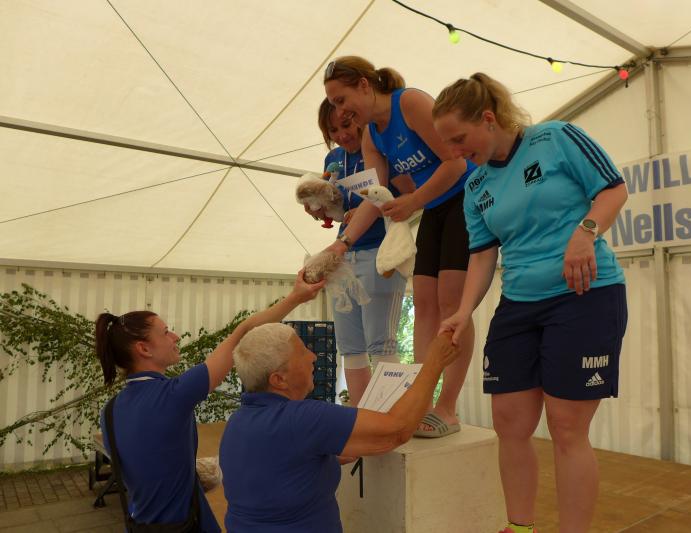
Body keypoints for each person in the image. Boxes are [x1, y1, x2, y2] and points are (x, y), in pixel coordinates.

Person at [432, 73, 628, 533]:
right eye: (448, 144)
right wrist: (463, 311)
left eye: (459, 139)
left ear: (488, 118)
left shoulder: (556, 138)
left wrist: (585, 232)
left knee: (566, 425)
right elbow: (483, 254)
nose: (455, 152)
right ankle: (519, 528)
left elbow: (613, 189)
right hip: (519, 305)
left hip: (584, 296)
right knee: (509, 423)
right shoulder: (475, 186)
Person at [95, 271, 324, 531]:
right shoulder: (172, 396)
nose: (175, 337)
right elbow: (243, 333)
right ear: (144, 349)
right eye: (166, 332)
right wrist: (296, 297)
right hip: (187, 525)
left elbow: (150, 468)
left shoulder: (109, 411)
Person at [323, 55, 476, 437]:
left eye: (341, 100)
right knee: (423, 302)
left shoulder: (409, 102)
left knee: (452, 304)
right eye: (334, 105)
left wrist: (413, 200)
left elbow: (456, 164)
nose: (341, 112)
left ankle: (447, 408)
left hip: (466, 199)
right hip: (434, 207)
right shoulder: (371, 136)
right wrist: (341, 244)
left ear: (364, 85)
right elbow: (374, 198)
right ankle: (420, 403)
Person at [218, 326, 458, 532]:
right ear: (279, 379)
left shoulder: (237, 422)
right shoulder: (303, 418)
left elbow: (277, 470)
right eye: (302, 352)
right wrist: (434, 363)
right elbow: (397, 430)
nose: (313, 356)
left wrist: (325, 460)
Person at [299, 99, 406, 407]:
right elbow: (337, 207)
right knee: (350, 345)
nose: (341, 135)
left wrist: (367, 210)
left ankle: (390, 415)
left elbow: (402, 197)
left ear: (359, 117)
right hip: (344, 256)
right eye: (333, 130)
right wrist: (321, 210)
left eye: (346, 125)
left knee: (381, 342)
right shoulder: (334, 158)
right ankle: (361, 417)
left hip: (380, 252)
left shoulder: (381, 148)